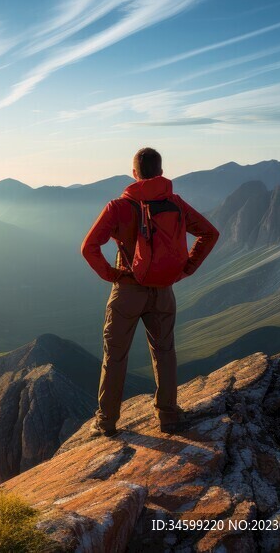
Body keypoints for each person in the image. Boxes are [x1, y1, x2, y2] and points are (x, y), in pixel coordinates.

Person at [80, 147, 219, 436]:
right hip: (163, 290)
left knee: (115, 356)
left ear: (134, 174)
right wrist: (186, 268)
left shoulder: (118, 207)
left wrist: (113, 274)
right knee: (164, 351)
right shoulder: (176, 203)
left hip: (128, 291)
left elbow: (89, 247)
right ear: (160, 172)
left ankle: (106, 421)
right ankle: (168, 416)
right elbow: (209, 233)